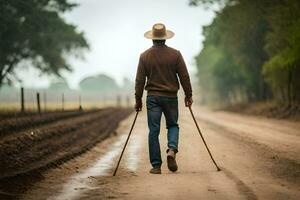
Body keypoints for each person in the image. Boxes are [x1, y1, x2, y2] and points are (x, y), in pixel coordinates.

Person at [135, 23, 193, 174]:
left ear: (152, 39)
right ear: (165, 38)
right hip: (170, 97)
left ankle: (156, 166)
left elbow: (139, 81)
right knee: (173, 125)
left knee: (153, 131)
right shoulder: (176, 54)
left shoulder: (144, 56)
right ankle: (172, 150)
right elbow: (184, 77)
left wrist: (138, 99)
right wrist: (188, 95)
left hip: (152, 98)